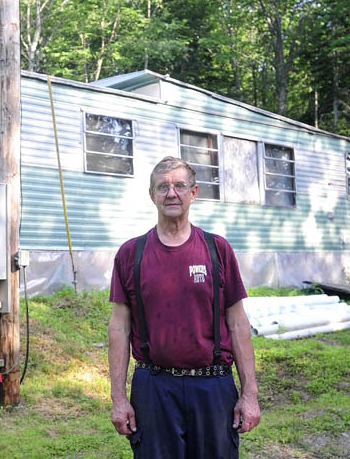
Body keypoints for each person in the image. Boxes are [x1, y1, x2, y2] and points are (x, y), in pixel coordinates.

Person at [108, 156, 261, 458]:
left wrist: (250, 394)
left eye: (179, 186)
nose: (171, 193)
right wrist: (118, 398)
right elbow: (119, 327)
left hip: (213, 386)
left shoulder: (217, 249)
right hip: (154, 388)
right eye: (162, 187)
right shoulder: (130, 254)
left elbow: (238, 324)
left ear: (194, 193)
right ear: (151, 195)